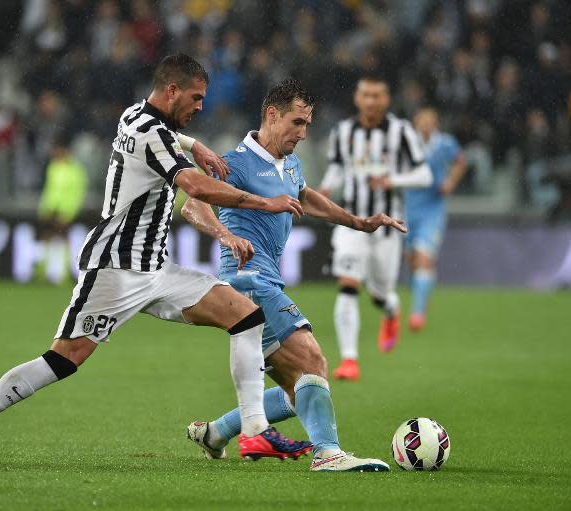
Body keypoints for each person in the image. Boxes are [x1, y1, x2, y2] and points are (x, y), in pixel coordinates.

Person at [0, 54, 311, 467]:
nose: (200, 106)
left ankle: (255, 432)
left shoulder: (136, 114)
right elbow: (194, 187)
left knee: (246, 316)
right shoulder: (155, 136)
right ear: (171, 91)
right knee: (63, 359)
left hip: (157, 269)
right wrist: (265, 202)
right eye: (195, 97)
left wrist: (196, 144)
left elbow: (167, 138)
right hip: (115, 268)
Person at [181, 78, 405, 472]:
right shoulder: (235, 162)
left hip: (267, 278)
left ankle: (215, 432)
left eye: (307, 125)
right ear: (272, 114)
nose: (303, 133)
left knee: (294, 387)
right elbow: (192, 206)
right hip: (247, 279)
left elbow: (306, 195)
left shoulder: (290, 162)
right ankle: (328, 453)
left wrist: (358, 222)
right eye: (297, 123)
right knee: (311, 360)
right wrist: (226, 233)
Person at [318, 74, 432, 381]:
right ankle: (349, 360)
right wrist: (326, 189)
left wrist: (392, 180)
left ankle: (391, 308)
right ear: (357, 98)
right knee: (348, 284)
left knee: (380, 292)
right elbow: (338, 168)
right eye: (365, 95)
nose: (370, 101)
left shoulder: (402, 131)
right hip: (351, 221)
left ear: (386, 99)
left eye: (377, 95)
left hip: (388, 225)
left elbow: (424, 176)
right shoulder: (343, 132)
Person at [404, 107, 467, 330]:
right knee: (411, 260)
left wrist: (451, 182)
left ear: (436, 123)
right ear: (415, 123)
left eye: (430, 120)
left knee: (423, 258)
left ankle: (417, 313)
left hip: (433, 209)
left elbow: (461, 161)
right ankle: (423, 292)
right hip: (408, 208)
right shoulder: (408, 143)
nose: (426, 124)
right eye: (422, 120)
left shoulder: (445, 143)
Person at [36, 135, 89, 284]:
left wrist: (68, 213)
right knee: (46, 237)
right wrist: (44, 208)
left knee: (64, 240)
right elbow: (49, 189)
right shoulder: (53, 166)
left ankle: (65, 272)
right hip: (52, 209)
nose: (56, 153)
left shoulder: (76, 170)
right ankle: (43, 270)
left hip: (66, 211)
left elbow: (77, 194)